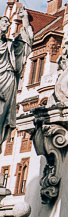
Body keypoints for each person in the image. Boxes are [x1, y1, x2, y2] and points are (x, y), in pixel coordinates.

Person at [0, 8, 33, 149]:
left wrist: (25, 18)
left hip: (7, 79)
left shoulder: (10, 46)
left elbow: (26, 40)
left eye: (7, 23)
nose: (6, 26)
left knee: (1, 115)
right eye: (3, 23)